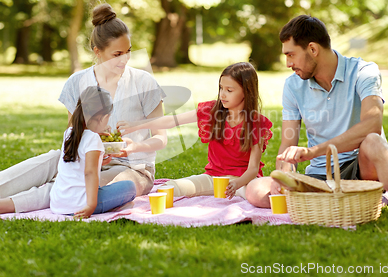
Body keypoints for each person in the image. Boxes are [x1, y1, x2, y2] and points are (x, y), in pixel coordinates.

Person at [0, 3, 167, 215]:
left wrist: (133, 147)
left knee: (72, 186)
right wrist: (93, 148)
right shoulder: (77, 82)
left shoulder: (144, 82)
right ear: (97, 52)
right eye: (117, 54)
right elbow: (73, 134)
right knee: (44, 163)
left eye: (128, 51)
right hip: (86, 156)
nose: (125, 59)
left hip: (133, 169)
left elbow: (161, 138)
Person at [245, 15, 388, 233]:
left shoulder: (364, 71)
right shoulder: (293, 86)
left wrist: (313, 151)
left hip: (359, 168)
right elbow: (289, 141)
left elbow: (372, 123)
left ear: (313, 49)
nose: (288, 64)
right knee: (255, 189)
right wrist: (284, 172)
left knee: (373, 141)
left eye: (291, 55)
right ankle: (369, 199)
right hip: (319, 177)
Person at [117, 62, 273, 200]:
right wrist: (136, 125)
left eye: (229, 90)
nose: (222, 94)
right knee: (168, 188)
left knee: (258, 196)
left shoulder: (256, 123)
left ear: (246, 91)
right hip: (213, 178)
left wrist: (236, 184)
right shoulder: (212, 111)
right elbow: (173, 120)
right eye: (221, 88)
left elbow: (253, 168)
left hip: (244, 182)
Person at [50, 86, 136, 218]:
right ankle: (106, 206)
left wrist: (99, 162)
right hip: (80, 205)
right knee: (130, 187)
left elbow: (77, 164)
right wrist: (91, 206)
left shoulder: (69, 133)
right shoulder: (93, 138)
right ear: (103, 117)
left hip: (58, 203)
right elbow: (89, 173)